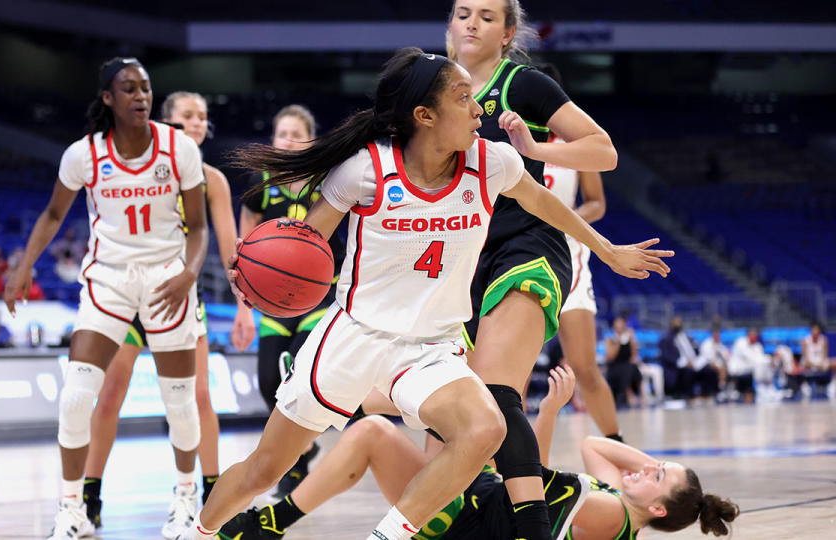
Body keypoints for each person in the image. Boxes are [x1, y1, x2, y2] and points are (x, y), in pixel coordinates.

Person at [177, 47, 671, 540]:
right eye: (463, 98)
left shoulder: (491, 162)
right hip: (355, 336)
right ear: (425, 115)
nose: (479, 108)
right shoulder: (365, 170)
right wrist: (263, 270)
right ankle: (196, 533)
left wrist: (607, 251)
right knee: (264, 469)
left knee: (486, 427)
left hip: (431, 345)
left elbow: (545, 204)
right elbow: (306, 242)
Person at [446, 2, 640, 535]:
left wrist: (535, 146)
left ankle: (536, 519)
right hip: (461, 257)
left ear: (508, 33)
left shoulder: (522, 84)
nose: (471, 23)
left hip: (527, 242)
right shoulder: (432, 86)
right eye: (463, 12)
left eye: (486, 16)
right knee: (451, 414)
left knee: (497, 393)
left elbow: (604, 152)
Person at [3, 57, 210, 540]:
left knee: (179, 403)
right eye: (129, 88)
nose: (141, 96)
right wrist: (25, 263)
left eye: (145, 87)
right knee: (76, 398)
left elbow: (197, 227)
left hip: (167, 278)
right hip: (109, 280)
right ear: (108, 99)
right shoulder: (83, 155)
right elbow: (54, 214)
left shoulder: (178, 148)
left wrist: (189, 273)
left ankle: (185, 500)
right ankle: (71, 510)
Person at [219, 367, 739, 540]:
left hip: (463, 516)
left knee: (392, 424)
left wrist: (551, 409)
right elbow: (594, 445)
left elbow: (531, 477)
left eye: (656, 476)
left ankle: (325, 400)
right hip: (474, 492)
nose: (645, 466)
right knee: (401, 418)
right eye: (654, 464)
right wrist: (658, 472)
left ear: (659, 510)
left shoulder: (609, 515)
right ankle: (275, 514)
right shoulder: (616, 500)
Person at [81, 90, 256, 530]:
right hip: (128, 299)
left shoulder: (211, 179)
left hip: (179, 300)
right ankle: (89, 496)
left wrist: (243, 309)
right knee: (110, 395)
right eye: (187, 115)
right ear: (166, 121)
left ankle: (213, 494)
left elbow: (230, 249)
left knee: (198, 398)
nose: (197, 122)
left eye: (202, 116)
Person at [238, 104, 346, 495]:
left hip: (319, 295)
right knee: (268, 380)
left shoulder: (329, 179)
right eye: (280, 133)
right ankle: (303, 451)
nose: (286, 140)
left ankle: (292, 460)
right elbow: (245, 243)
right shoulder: (261, 180)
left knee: (295, 374)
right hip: (273, 301)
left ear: (310, 139)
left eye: (294, 133)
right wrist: (242, 306)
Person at [535, 62, 619, 439]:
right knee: (510, 374)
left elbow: (597, 203)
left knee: (584, 365)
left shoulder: (577, 142)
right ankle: (504, 467)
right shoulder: (510, 140)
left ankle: (617, 445)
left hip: (567, 253)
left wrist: (564, 217)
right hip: (518, 252)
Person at [604, 316, 642, 407]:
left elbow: (634, 354)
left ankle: (642, 395)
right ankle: (630, 395)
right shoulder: (611, 340)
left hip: (627, 365)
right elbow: (611, 357)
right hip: (615, 366)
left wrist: (632, 339)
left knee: (633, 368)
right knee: (627, 369)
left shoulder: (628, 339)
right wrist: (618, 342)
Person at [658, 316, 697, 398]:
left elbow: (693, 349)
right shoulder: (666, 338)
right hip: (675, 365)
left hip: (691, 362)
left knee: (707, 370)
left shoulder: (684, 336)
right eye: (676, 322)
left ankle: (707, 394)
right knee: (688, 371)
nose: (678, 325)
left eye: (680, 322)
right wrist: (684, 363)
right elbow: (667, 356)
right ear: (671, 323)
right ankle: (687, 395)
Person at [728, 328, 768, 403]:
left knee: (764, 364)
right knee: (761, 364)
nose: (754, 338)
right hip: (738, 369)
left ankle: (764, 387)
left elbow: (760, 357)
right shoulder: (741, 343)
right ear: (748, 335)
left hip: (749, 368)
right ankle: (760, 388)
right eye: (753, 335)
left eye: (755, 336)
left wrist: (766, 360)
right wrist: (765, 360)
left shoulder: (757, 346)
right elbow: (751, 357)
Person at [800, 322, 834, 397]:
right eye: (814, 330)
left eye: (817, 330)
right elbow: (805, 356)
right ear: (811, 330)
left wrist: (821, 363)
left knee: (834, 362)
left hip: (820, 362)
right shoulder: (806, 340)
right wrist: (813, 364)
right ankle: (804, 384)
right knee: (803, 364)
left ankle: (833, 384)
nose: (815, 332)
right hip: (809, 362)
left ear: (819, 331)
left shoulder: (824, 340)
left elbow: (825, 355)